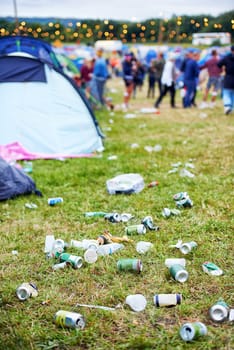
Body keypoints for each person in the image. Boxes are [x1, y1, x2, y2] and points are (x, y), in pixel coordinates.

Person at [217, 45, 234, 115]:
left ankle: (227, 106)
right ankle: (232, 108)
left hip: (228, 78)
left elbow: (218, 64)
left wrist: (223, 68)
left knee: (227, 93)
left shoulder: (227, 57)